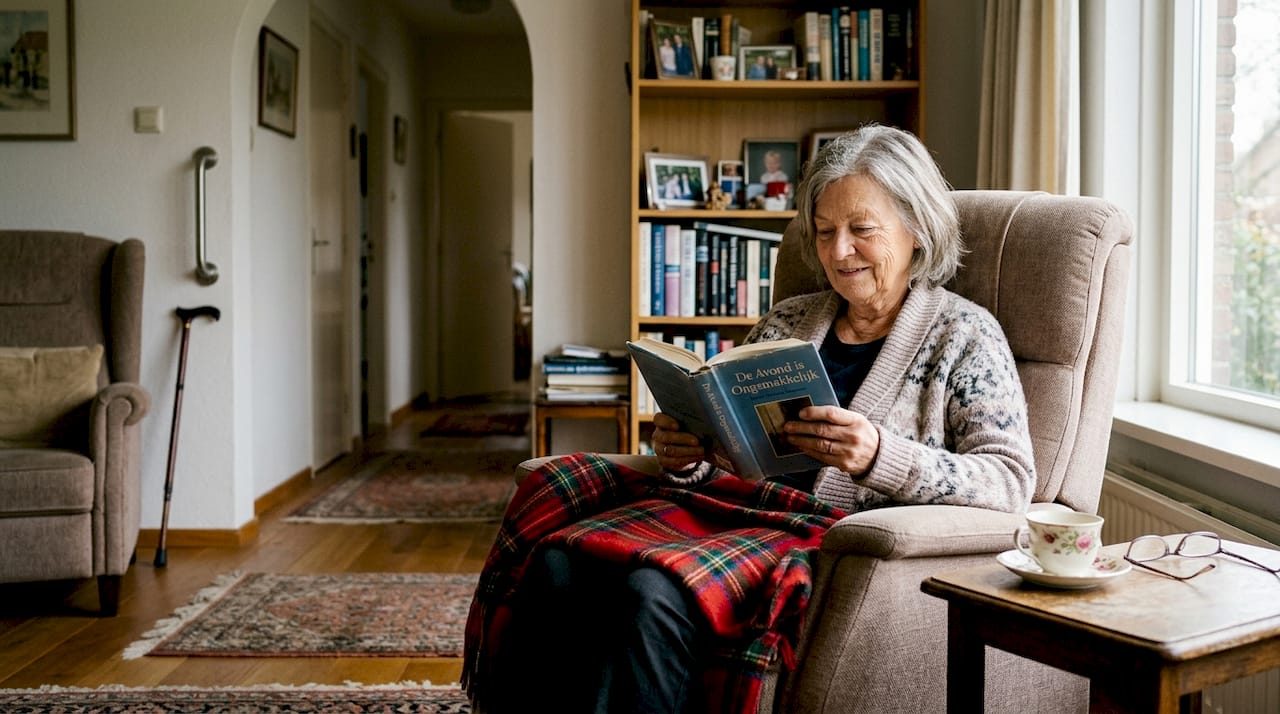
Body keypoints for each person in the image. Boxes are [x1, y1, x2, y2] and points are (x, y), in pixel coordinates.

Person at [465, 124, 1036, 714]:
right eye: (824, 232)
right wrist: (686, 454)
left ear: (917, 229)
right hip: (730, 512)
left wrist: (878, 457)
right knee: (558, 561)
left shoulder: (964, 336)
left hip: (822, 540)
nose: (839, 252)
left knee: (649, 591)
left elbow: (1012, 482)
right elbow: (730, 442)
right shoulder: (788, 321)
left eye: (861, 230)